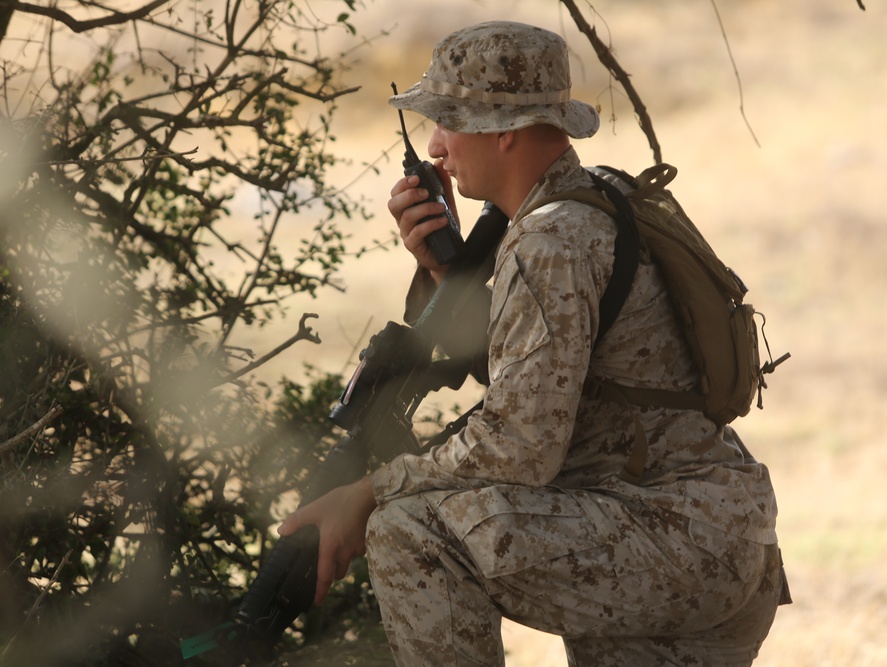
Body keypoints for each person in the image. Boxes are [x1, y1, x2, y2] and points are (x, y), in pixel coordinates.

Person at [278, 20, 788, 666]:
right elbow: (548, 371)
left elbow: (520, 444)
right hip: (710, 536)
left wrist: (370, 490)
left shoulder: (551, 238)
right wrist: (446, 271)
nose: (434, 146)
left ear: (504, 129)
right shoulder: (598, 198)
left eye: (448, 119)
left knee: (411, 531)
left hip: (664, 537)